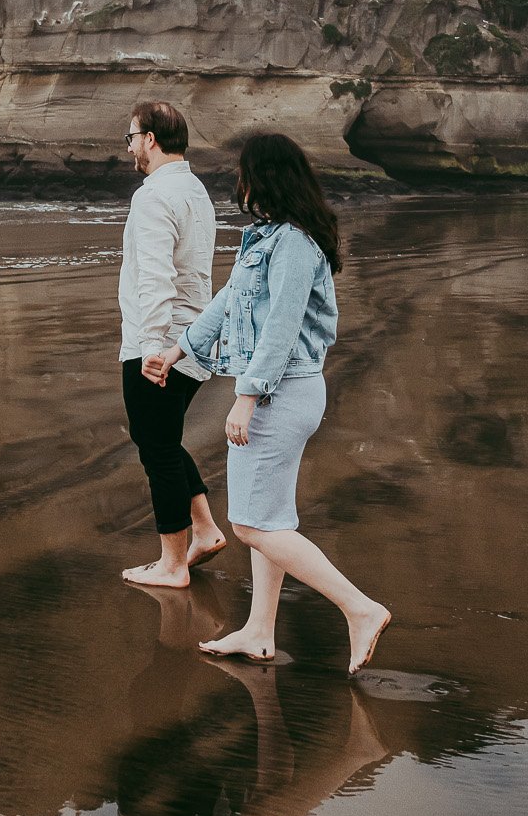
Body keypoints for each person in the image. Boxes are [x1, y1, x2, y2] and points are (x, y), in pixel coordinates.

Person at [144, 133, 391, 675]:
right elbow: (226, 303)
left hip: (283, 393)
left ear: (267, 177)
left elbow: (279, 330)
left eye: (246, 173)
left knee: (253, 526)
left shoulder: (295, 245)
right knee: (269, 517)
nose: (241, 182)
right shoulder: (268, 239)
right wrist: (178, 349)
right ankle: (259, 631)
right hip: (282, 392)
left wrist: (247, 399)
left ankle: (360, 609)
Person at [118, 100, 228, 589]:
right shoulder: (196, 191)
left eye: (131, 137)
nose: (129, 147)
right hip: (193, 337)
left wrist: (151, 348)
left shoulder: (154, 195)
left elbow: (158, 276)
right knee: (160, 439)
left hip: (163, 341)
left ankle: (172, 563)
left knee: (156, 451)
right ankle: (203, 531)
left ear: (151, 139)